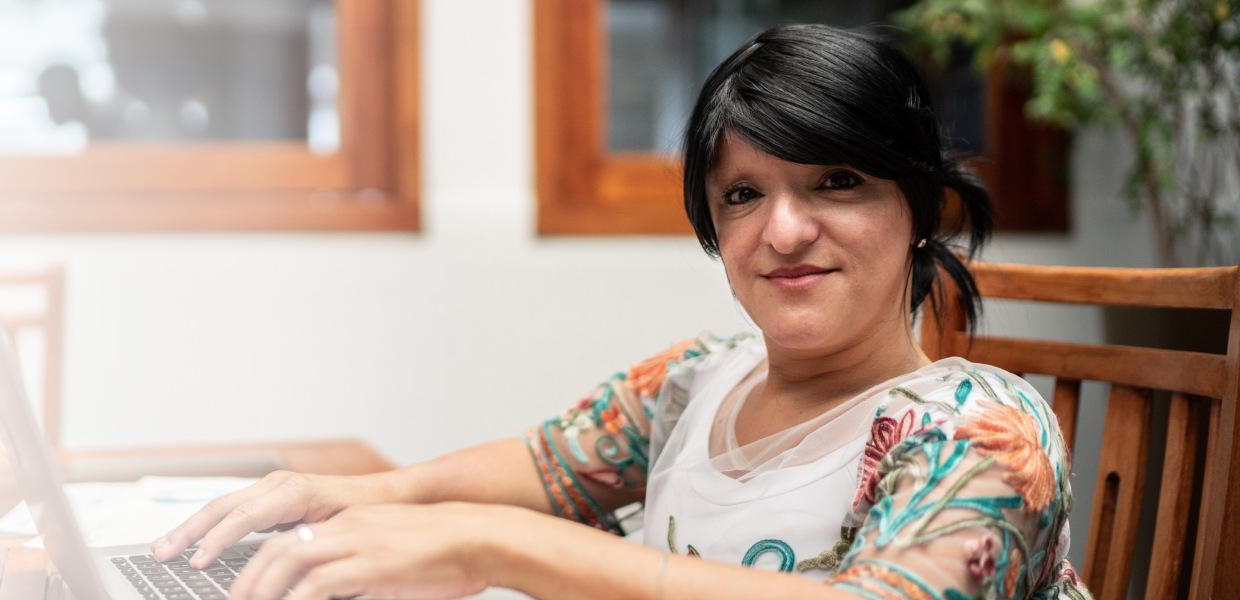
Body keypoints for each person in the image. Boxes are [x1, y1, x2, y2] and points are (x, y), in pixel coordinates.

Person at [151, 24, 1090, 600]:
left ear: (919, 208)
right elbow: (543, 463)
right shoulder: (691, 383)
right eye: (743, 195)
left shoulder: (980, 427)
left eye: (837, 182)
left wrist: (505, 549)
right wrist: (350, 497)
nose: (785, 230)